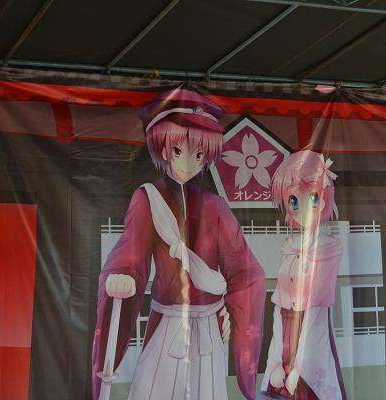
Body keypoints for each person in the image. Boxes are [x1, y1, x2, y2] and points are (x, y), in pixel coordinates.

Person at [92, 86, 266, 400]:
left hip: (209, 327)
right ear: (163, 148)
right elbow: (131, 251)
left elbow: (244, 269)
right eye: (178, 151)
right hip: (168, 323)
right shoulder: (148, 198)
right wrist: (124, 275)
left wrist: (235, 308)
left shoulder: (215, 206)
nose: (188, 162)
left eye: (199, 154)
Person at [261, 150, 347, 400]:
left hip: (312, 332)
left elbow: (315, 311)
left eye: (312, 198)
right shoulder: (290, 247)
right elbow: (278, 310)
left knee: (310, 389)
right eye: (293, 201)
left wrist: (300, 364)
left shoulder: (329, 247)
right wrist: (276, 361)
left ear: (324, 199)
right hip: (286, 333)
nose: (302, 209)